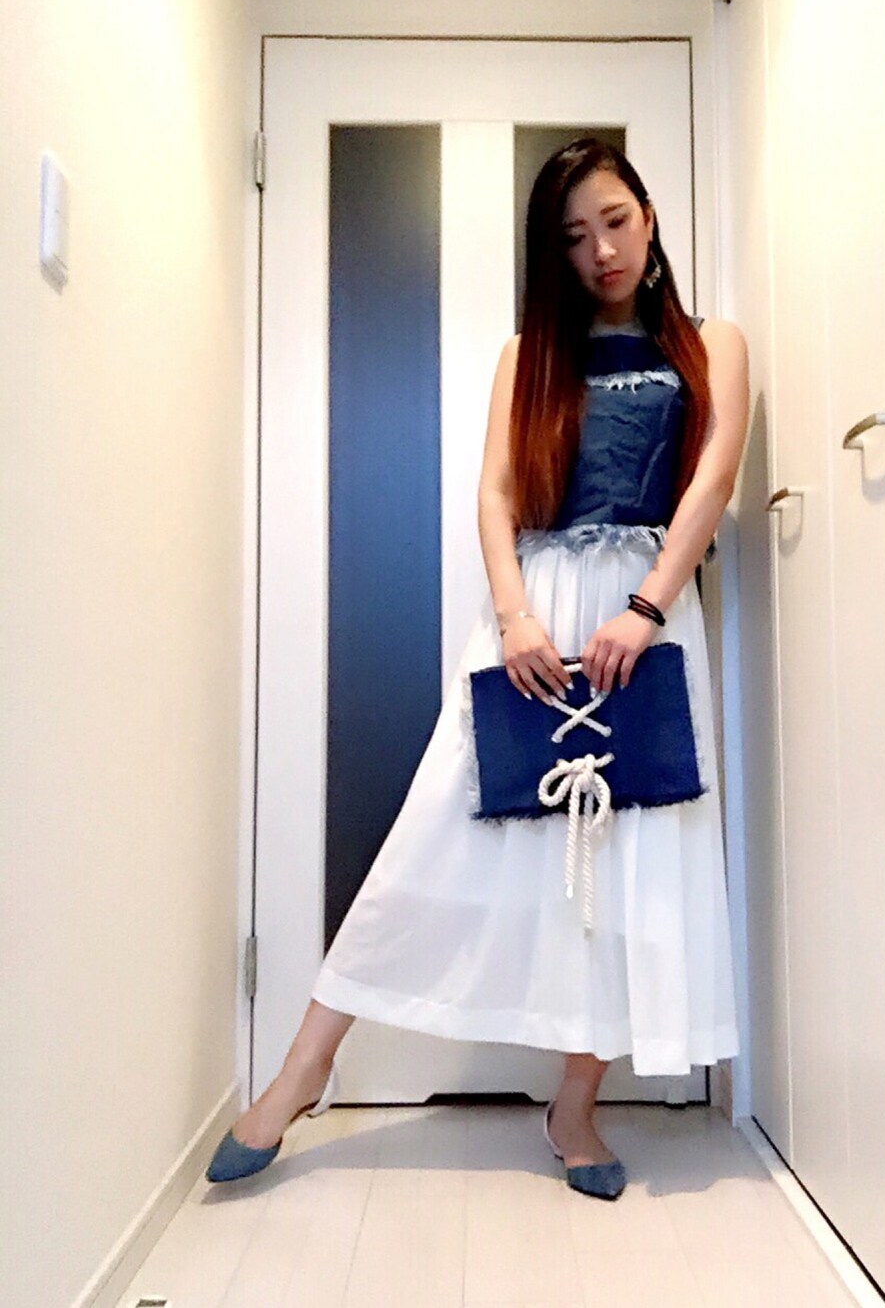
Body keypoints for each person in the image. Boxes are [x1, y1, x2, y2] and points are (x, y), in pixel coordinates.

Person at [207, 137, 748, 1200]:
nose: (602, 250)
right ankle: (305, 1069)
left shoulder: (712, 343)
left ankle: (575, 1108)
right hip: (534, 617)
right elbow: (497, 492)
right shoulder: (526, 354)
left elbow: (714, 475)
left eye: (616, 221)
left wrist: (646, 608)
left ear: (648, 215)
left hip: (647, 623)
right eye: (575, 236)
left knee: (626, 862)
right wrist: (512, 617)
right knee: (434, 831)